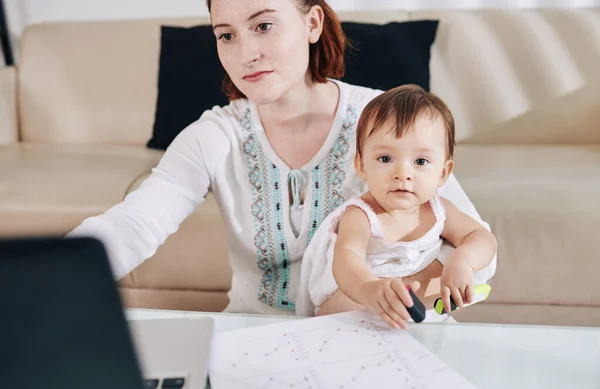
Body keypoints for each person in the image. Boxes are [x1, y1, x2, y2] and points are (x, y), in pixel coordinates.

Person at [68, 0, 496, 317]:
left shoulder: (382, 126)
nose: (244, 54)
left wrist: (407, 286)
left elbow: (478, 247)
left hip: (366, 336)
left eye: (264, 25)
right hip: (249, 336)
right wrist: (42, 281)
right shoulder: (213, 136)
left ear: (312, 22)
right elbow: (136, 223)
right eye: (226, 35)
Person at [294, 85, 498, 328]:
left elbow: (481, 237)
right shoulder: (361, 215)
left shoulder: (439, 210)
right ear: (361, 165)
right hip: (360, 314)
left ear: (443, 173)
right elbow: (347, 257)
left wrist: (462, 260)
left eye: (420, 161)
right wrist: (368, 287)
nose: (402, 173)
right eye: (385, 159)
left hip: (420, 319)